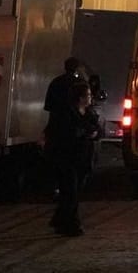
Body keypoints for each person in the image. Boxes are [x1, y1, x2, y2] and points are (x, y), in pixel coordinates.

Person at [45, 79, 99, 236]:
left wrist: (94, 133)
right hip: (67, 158)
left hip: (83, 159)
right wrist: (85, 132)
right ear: (80, 98)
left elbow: (97, 129)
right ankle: (71, 225)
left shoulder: (89, 113)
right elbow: (64, 133)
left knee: (74, 192)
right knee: (70, 192)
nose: (90, 98)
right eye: (88, 95)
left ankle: (59, 219)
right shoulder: (66, 114)